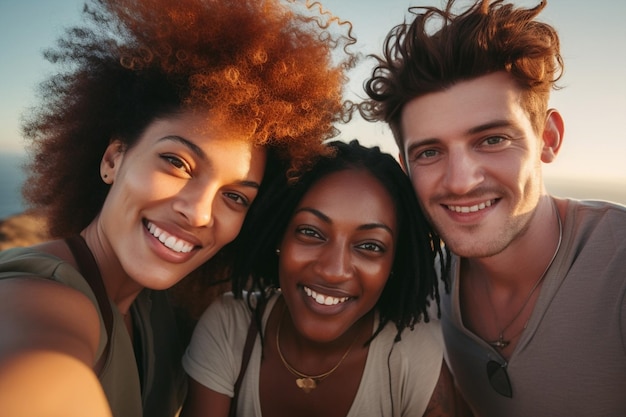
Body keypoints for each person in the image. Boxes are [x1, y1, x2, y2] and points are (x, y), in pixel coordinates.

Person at [0, 0, 356, 416]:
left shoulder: (160, 308)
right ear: (113, 159)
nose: (201, 213)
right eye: (177, 163)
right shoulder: (41, 297)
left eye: (235, 197)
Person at [360, 0, 626, 416]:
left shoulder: (617, 267)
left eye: (492, 140)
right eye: (430, 152)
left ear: (548, 138)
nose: (460, 181)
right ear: (406, 168)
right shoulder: (427, 286)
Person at [181, 140, 473, 417]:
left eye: (370, 246)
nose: (334, 270)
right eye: (311, 232)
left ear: (394, 262)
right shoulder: (230, 327)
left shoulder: (416, 355)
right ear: (280, 235)